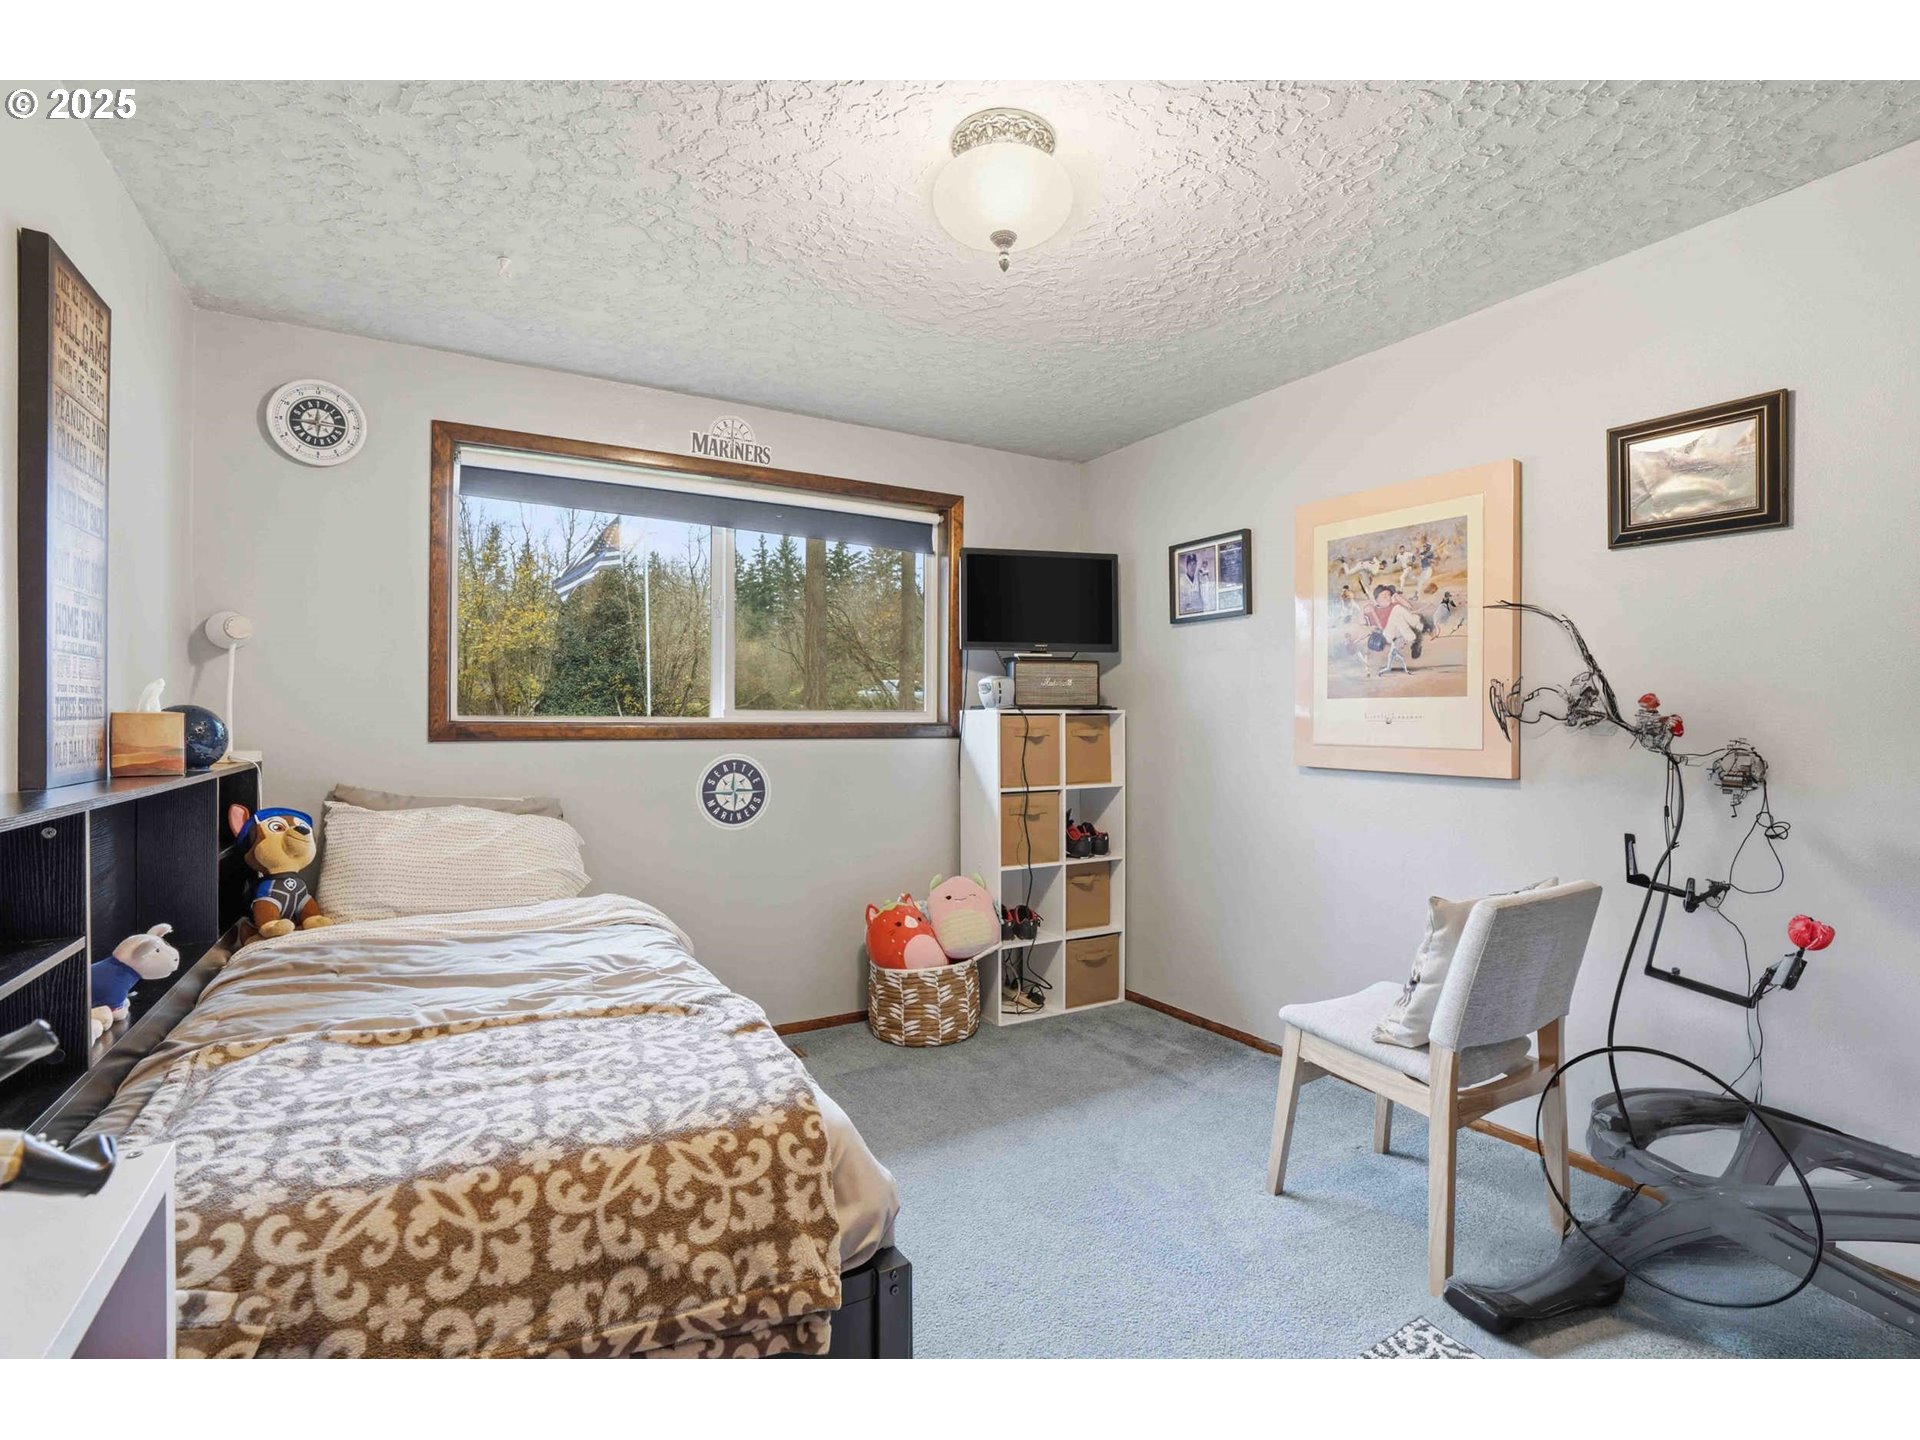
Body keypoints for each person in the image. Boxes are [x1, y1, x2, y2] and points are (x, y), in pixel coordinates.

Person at [1363, 583, 1424, 676]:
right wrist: (1371, 613)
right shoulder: (1372, 609)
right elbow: (1366, 626)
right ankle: (1416, 630)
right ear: (1377, 599)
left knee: (1400, 613)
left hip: (1396, 633)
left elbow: (1409, 607)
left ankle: (1415, 631)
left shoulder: (1393, 605)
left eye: (1389, 595)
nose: (1388, 597)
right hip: (1384, 635)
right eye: (1384, 596)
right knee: (1398, 611)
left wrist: (1396, 596)